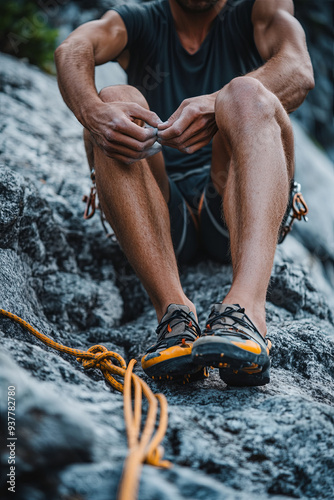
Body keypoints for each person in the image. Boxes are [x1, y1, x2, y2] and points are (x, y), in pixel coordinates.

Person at [55, 0, 314, 387]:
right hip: (158, 210)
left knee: (245, 92)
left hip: (237, 199)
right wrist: (92, 112)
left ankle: (247, 312)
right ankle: (174, 316)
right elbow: (73, 48)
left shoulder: (258, 13)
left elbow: (298, 69)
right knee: (113, 98)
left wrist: (216, 103)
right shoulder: (139, 21)